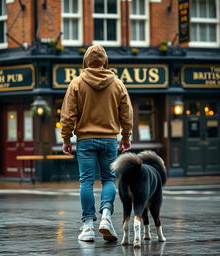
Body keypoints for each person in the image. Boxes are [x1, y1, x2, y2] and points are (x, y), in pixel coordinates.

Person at [60, 44, 133, 242]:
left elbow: (67, 115)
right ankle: (106, 216)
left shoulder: (76, 83)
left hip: (85, 140)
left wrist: (66, 139)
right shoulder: (117, 83)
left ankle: (88, 227)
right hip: (110, 139)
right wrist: (126, 137)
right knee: (109, 179)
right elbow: (126, 113)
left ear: (86, 62)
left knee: (86, 181)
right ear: (105, 62)